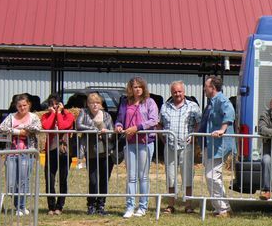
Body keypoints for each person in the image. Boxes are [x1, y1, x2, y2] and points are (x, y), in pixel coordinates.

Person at [115, 77, 159, 218]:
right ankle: (129, 206)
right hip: (129, 142)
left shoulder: (150, 102)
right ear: (130, 89)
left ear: (144, 88)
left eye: (140, 86)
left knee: (143, 176)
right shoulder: (124, 103)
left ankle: (143, 207)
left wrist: (137, 128)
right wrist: (118, 126)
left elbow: (154, 120)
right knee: (131, 177)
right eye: (135, 87)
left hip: (145, 142)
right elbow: (119, 119)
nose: (137, 89)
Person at [159, 81, 201, 214]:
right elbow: (159, 124)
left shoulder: (193, 106)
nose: (177, 94)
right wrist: (163, 139)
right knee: (171, 176)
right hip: (170, 146)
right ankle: (170, 205)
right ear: (171, 93)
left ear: (184, 92)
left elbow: (199, 123)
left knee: (187, 176)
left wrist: (194, 137)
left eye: (179, 91)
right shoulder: (165, 107)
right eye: (174, 92)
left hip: (186, 147)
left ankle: (188, 205)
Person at [0, 94, 41, 215]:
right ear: (16, 106)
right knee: (11, 182)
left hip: (27, 153)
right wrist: (18, 131)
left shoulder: (34, 117)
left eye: (24, 105)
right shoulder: (11, 117)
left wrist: (25, 127)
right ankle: (17, 205)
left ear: (29, 105)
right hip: (11, 153)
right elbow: (1, 128)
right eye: (20, 106)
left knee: (23, 180)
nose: (22, 108)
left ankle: (21, 207)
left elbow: (37, 128)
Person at [200, 75, 236, 218]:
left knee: (212, 176)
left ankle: (224, 208)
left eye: (206, 86)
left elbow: (230, 113)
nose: (204, 89)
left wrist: (222, 130)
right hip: (211, 144)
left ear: (212, 88)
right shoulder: (212, 102)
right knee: (213, 176)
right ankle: (220, 208)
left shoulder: (222, 100)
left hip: (220, 144)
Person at [76, 92, 115, 216]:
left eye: (97, 102)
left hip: (106, 151)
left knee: (104, 180)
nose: (94, 105)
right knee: (93, 180)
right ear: (87, 104)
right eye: (92, 103)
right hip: (91, 152)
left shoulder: (107, 116)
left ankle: (101, 205)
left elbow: (111, 133)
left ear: (101, 104)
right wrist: (95, 129)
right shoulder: (84, 113)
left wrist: (105, 132)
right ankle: (91, 205)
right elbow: (78, 125)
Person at [40, 94, 75, 215]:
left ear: (61, 104)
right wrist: (53, 114)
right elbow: (46, 126)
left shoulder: (69, 115)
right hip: (50, 150)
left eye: (56, 104)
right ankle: (51, 206)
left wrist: (59, 113)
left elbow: (62, 127)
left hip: (64, 151)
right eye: (51, 104)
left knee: (63, 179)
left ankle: (60, 206)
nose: (54, 106)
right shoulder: (45, 116)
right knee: (49, 178)